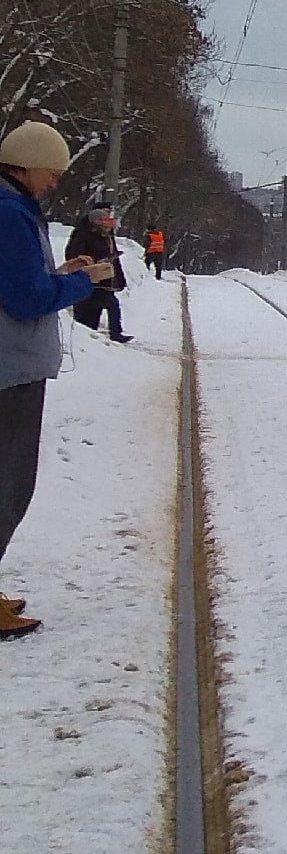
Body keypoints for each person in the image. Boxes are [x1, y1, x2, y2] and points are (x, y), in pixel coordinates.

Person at [0, 121, 110, 639]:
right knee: (8, 488)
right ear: (28, 164)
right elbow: (25, 301)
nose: (55, 182)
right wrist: (80, 285)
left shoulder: (13, 209)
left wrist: (62, 274)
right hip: (11, 371)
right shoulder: (10, 213)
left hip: (12, 367)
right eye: (53, 172)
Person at [67, 201, 132, 344]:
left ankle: (106, 336)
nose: (105, 219)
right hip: (89, 279)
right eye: (101, 217)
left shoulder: (107, 234)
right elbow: (73, 255)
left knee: (107, 306)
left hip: (104, 279)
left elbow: (113, 257)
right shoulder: (83, 232)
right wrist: (91, 262)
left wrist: (118, 279)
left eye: (107, 215)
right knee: (90, 313)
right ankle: (99, 337)